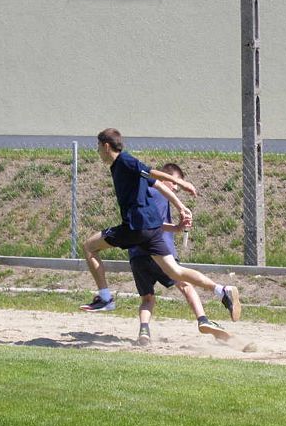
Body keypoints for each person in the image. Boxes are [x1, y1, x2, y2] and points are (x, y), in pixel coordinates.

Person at [79, 128, 241, 328]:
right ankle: (222, 290)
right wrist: (180, 206)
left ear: (106, 146)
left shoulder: (124, 160)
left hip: (134, 228)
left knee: (89, 247)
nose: (97, 151)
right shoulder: (125, 168)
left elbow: (152, 172)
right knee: (176, 271)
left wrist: (180, 182)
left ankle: (105, 297)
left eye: (98, 147)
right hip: (152, 229)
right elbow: (158, 184)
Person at [127, 162, 231, 346]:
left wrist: (176, 227)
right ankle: (203, 319)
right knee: (185, 285)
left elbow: (147, 223)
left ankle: (144, 331)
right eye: (174, 183)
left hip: (136, 254)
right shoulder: (159, 193)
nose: (175, 188)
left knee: (147, 298)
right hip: (160, 251)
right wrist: (177, 225)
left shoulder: (140, 193)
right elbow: (154, 224)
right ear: (164, 178)